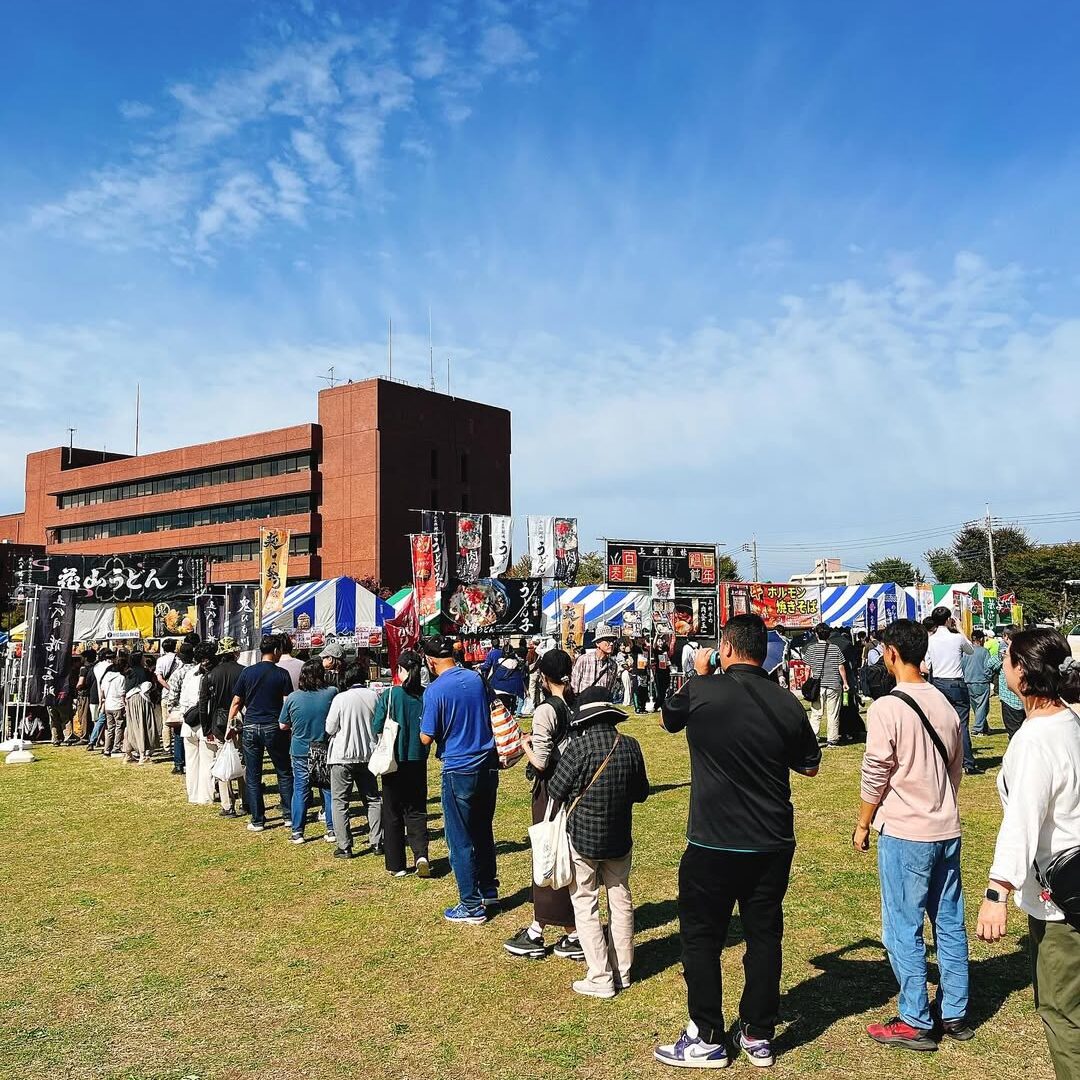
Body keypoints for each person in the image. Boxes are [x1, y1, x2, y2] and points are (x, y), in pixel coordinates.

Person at [655, 614, 821, 1069]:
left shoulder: (702, 691)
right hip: (771, 839)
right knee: (764, 933)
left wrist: (699, 674)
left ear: (725, 648)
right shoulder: (786, 702)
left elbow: (669, 717)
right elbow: (809, 765)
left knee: (701, 937)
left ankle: (707, 1033)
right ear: (764, 652)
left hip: (713, 840)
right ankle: (758, 1032)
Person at [854, 620, 971, 1052]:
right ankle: (955, 1011)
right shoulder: (942, 701)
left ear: (889, 654)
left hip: (906, 831)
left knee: (903, 926)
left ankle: (915, 1018)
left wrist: (864, 821)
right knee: (949, 921)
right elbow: (955, 766)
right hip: (945, 825)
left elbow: (876, 770)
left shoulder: (887, 706)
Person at [977, 629, 1080, 1080]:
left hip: (1061, 898)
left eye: (1008, 661)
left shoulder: (1035, 739)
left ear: (1023, 670)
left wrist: (997, 891)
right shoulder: (1070, 722)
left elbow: (1022, 819)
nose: (1004, 667)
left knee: (1062, 1010)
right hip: (1068, 881)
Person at [547, 687, 649, 999]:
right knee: (620, 900)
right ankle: (623, 971)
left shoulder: (577, 749)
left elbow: (555, 789)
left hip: (582, 839)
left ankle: (601, 976)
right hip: (619, 837)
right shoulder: (630, 746)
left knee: (585, 903)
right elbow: (642, 793)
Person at [505, 648, 582, 961]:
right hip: (575, 784)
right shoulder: (576, 703)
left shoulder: (545, 710)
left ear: (544, 676)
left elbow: (540, 761)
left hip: (550, 788)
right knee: (564, 855)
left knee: (548, 854)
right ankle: (561, 929)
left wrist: (524, 743)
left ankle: (553, 931)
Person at [420, 635, 500, 924]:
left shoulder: (435, 691)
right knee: (483, 828)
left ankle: (470, 904)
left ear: (430, 661)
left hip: (458, 766)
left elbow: (426, 736)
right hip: (488, 762)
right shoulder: (476, 678)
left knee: (460, 838)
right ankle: (488, 888)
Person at [371, 649, 430, 877]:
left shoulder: (390, 695)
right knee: (416, 809)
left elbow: (377, 725)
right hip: (417, 759)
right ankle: (421, 854)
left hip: (392, 760)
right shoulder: (426, 696)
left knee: (392, 811)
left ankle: (396, 864)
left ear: (401, 671)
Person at [229, 635, 295, 833]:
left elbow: (236, 702)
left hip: (251, 727)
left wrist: (229, 727)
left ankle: (258, 819)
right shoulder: (282, 674)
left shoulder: (247, 673)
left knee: (253, 774)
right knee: (283, 771)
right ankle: (289, 815)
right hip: (274, 726)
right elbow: (287, 703)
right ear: (276, 651)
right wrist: (288, 726)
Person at [325, 661, 383, 858]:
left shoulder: (340, 699)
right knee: (373, 799)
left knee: (340, 801)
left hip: (342, 755)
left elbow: (329, 728)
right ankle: (377, 841)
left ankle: (345, 845)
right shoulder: (374, 696)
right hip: (368, 754)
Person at [280, 659, 338, 844]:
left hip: (300, 749)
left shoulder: (293, 698)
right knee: (327, 789)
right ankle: (331, 829)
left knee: (301, 789)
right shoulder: (331, 693)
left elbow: (282, 724)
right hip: (323, 747)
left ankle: (297, 831)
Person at [200, 637, 245, 817]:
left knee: (222, 760)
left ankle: (227, 804)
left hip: (218, 721)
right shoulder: (244, 672)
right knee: (242, 759)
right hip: (241, 718)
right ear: (235, 653)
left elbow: (203, 704)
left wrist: (206, 729)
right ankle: (245, 800)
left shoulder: (209, 675)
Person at [804, 623, 849, 748]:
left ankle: (814, 737)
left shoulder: (811, 649)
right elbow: (841, 667)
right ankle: (832, 740)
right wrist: (845, 683)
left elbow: (807, 668)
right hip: (834, 683)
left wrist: (807, 682)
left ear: (816, 634)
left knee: (816, 713)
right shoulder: (835, 648)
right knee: (833, 713)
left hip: (817, 685)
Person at [181, 643, 215, 803]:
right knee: (207, 761)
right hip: (205, 724)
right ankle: (206, 796)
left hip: (188, 723)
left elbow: (183, 700)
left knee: (192, 761)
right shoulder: (212, 677)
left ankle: (193, 794)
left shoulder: (190, 675)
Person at [163, 644, 196, 775]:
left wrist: (171, 708)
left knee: (178, 736)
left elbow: (173, 693)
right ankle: (191, 763)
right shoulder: (198, 670)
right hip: (196, 707)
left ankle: (178, 764)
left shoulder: (177, 673)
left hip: (180, 708)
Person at [990, 625, 1026, 739]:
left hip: (1009, 698)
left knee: (1013, 733)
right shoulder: (1026, 651)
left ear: (1005, 637)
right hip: (1025, 697)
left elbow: (989, 664)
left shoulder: (1004, 653)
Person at [123, 652, 157, 764]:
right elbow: (149, 685)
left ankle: (127, 753)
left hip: (130, 699)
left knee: (131, 725)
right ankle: (143, 754)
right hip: (141, 698)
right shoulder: (143, 671)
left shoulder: (129, 671)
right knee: (142, 724)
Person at [479, 637, 526, 716]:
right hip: (513, 689)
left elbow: (487, 666)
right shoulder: (516, 664)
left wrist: (479, 667)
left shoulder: (492, 655)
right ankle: (514, 713)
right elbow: (519, 678)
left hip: (498, 687)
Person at [961, 629, 994, 737]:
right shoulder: (984, 652)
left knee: (977, 706)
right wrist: (989, 677)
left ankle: (983, 726)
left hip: (968, 681)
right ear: (981, 639)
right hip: (981, 682)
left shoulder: (966, 652)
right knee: (982, 706)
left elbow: (962, 666)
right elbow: (988, 667)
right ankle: (978, 729)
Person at [571, 627, 620, 696]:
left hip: (602, 703)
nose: (611, 644)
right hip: (584, 702)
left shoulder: (613, 665)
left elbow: (610, 689)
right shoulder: (584, 660)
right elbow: (574, 686)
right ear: (597, 643)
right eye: (608, 641)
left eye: (613, 641)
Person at [100, 651, 130, 758]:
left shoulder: (106, 677)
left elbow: (102, 691)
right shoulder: (121, 678)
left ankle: (107, 749)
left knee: (109, 728)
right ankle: (116, 748)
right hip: (118, 705)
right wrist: (125, 705)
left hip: (108, 705)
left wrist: (101, 703)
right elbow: (122, 694)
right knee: (119, 727)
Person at [154, 639, 181, 760]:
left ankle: (166, 747)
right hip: (179, 693)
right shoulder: (179, 659)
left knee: (166, 722)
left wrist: (168, 688)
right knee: (178, 720)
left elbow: (159, 678)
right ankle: (178, 745)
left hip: (166, 693)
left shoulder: (160, 660)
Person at [70, 648, 96, 744]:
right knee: (91, 716)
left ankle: (84, 737)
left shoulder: (84, 668)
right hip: (92, 694)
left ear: (85, 658)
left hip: (84, 694)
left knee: (83, 716)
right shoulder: (95, 667)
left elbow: (80, 683)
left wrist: (76, 688)